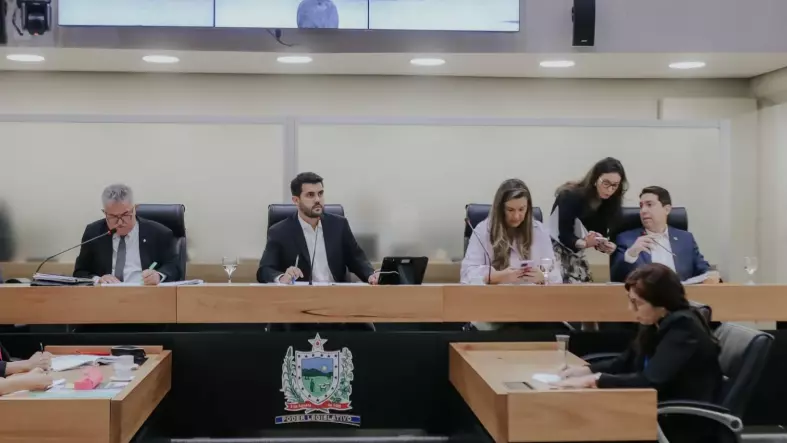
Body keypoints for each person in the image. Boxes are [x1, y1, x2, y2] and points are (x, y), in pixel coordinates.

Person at [555, 264, 722, 442]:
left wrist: (596, 380)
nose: (631, 308)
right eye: (630, 300)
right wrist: (585, 371)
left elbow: (650, 381)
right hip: (650, 408)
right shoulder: (656, 322)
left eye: (637, 303)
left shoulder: (683, 328)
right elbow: (625, 362)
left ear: (662, 303)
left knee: (581, 423)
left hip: (677, 421)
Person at [257, 172, 377, 285]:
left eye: (320, 193)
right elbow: (265, 270)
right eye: (310, 195)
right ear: (296, 200)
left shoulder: (339, 225)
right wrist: (282, 277)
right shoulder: (279, 231)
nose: (317, 200)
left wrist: (371, 275)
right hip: (302, 296)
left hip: (337, 293)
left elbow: (357, 259)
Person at [73, 184, 181, 285]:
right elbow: (80, 272)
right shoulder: (94, 233)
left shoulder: (158, 233)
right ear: (104, 213)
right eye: (113, 217)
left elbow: (174, 267)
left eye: (125, 215)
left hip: (145, 294)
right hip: (106, 295)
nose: (120, 222)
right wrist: (98, 279)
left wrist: (158, 275)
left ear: (135, 209)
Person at [461, 179, 561, 285]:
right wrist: (497, 277)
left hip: (531, 294)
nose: (516, 216)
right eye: (510, 210)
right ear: (500, 209)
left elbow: (556, 276)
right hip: (495, 294)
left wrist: (543, 276)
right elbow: (466, 275)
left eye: (521, 209)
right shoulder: (482, 231)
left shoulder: (539, 231)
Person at [611, 186, 719, 283]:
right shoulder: (626, 239)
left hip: (680, 296)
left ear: (666, 209)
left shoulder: (686, 239)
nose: (643, 210)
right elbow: (616, 277)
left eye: (649, 205)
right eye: (641, 206)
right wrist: (631, 254)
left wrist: (712, 275)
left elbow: (703, 269)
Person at [549, 157, 627, 283]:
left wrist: (604, 245)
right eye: (606, 183)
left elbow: (601, 233)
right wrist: (585, 243)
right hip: (557, 251)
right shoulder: (569, 196)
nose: (610, 189)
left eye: (615, 185)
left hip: (578, 254)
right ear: (595, 179)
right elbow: (564, 235)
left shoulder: (610, 202)